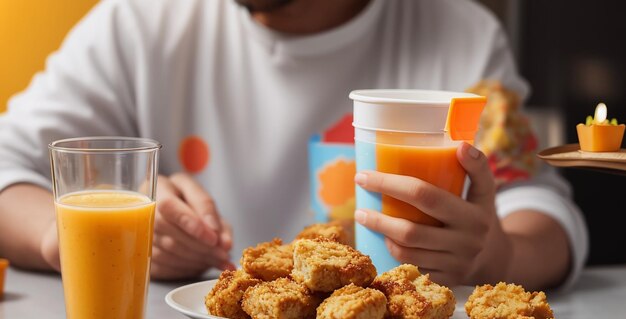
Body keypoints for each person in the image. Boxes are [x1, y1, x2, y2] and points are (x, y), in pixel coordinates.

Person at [0, 0, 587, 290]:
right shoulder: (138, 22)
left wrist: (496, 255)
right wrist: (81, 237)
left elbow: (544, 214)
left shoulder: (459, 34)